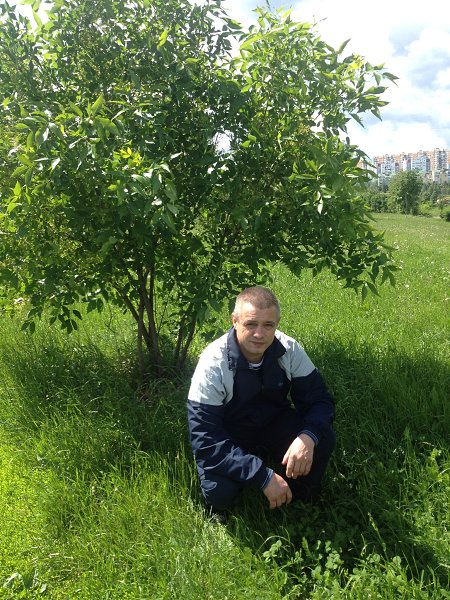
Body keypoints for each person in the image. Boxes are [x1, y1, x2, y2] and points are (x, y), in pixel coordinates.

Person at [187, 286, 335, 513]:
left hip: (274, 421)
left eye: (268, 325)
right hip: (229, 434)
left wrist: (307, 437)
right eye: (251, 324)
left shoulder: (289, 349)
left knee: (322, 439)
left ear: (277, 324)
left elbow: (320, 400)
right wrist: (262, 476)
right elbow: (205, 439)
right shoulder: (213, 364)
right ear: (234, 320)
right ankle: (258, 479)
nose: (259, 334)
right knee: (220, 494)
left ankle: (299, 504)